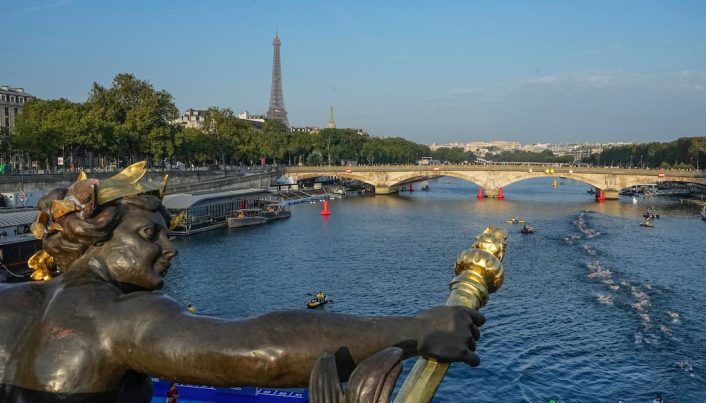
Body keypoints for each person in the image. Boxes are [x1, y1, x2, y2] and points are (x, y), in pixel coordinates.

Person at [0, 162, 483, 402]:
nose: (170, 248)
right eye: (151, 234)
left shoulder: (13, 302)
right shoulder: (117, 317)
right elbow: (262, 350)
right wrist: (420, 331)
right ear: (97, 237)